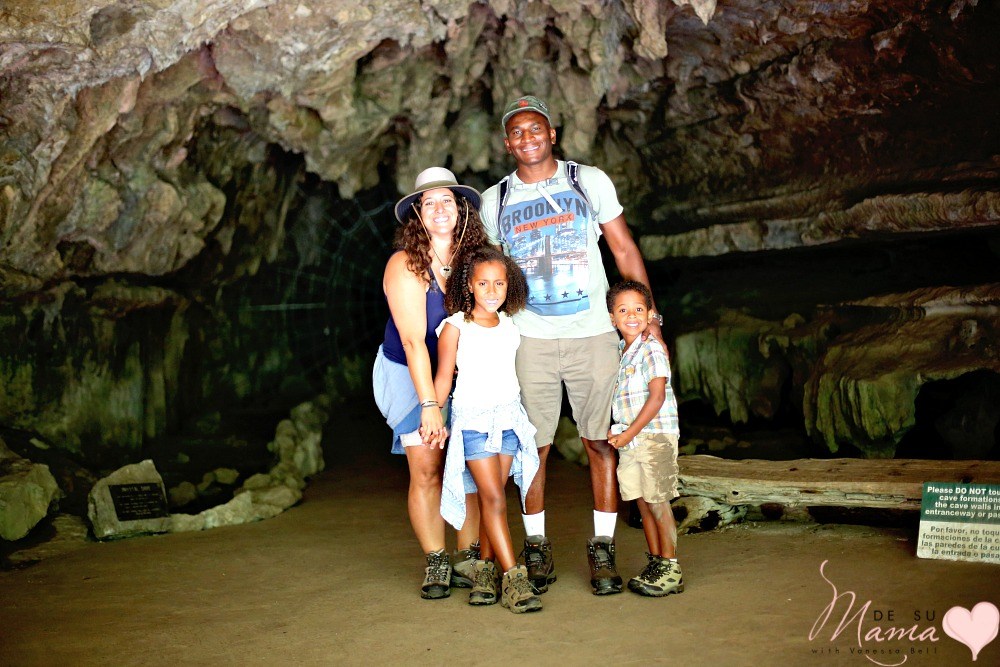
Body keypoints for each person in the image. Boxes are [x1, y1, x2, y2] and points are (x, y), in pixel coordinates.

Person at [480, 94, 663, 596]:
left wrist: (652, 319)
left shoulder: (588, 181)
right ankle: (536, 546)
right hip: (529, 338)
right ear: (506, 142)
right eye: (517, 131)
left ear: (552, 133)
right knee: (531, 446)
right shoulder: (494, 201)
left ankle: (602, 547)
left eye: (535, 128)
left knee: (600, 440)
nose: (528, 137)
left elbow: (623, 247)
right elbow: (492, 276)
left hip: (592, 333)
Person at [372, 167, 489, 599]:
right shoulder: (405, 264)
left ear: (461, 208)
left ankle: (470, 558)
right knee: (427, 466)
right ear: (418, 215)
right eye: (429, 202)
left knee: (473, 465)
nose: (439, 209)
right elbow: (414, 342)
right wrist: (430, 406)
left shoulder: (478, 260)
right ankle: (437, 560)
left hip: (464, 373)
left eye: (447, 200)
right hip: (408, 370)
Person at [433, 245, 543, 613]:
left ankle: (484, 574)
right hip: (474, 422)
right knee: (493, 498)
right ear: (469, 286)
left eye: (499, 283)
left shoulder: (510, 323)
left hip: (509, 418)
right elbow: (444, 378)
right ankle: (514, 577)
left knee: (493, 499)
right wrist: (432, 415)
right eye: (484, 284)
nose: (493, 291)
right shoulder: (454, 327)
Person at [606, 280, 684, 597]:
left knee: (658, 502)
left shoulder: (651, 348)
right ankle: (656, 561)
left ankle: (671, 568)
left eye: (639, 309)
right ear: (612, 317)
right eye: (623, 310)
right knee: (642, 502)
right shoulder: (619, 353)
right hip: (631, 439)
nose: (632, 315)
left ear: (650, 313)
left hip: (654, 437)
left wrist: (628, 432)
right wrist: (618, 430)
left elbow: (656, 397)